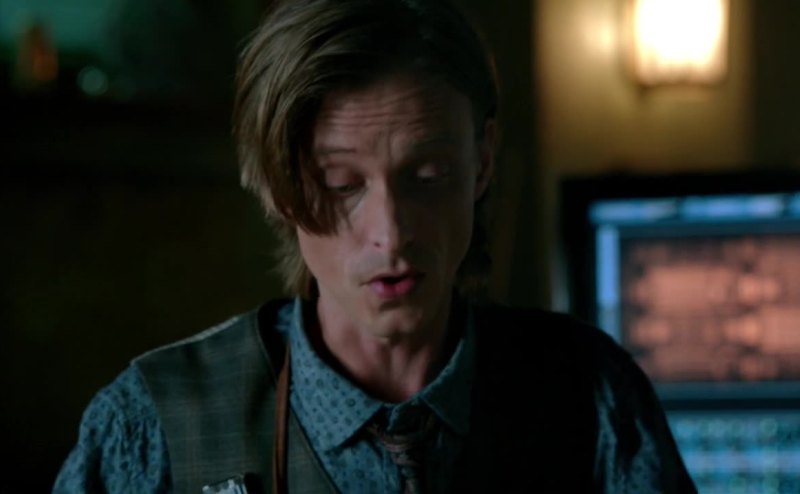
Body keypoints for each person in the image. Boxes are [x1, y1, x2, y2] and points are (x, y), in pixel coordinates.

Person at [54, 0, 697, 492]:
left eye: (429, 176)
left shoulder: (591, 398)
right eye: (341, 184)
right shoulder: (153, 422)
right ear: (277, 187)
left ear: (482, 162)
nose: (391, 232)